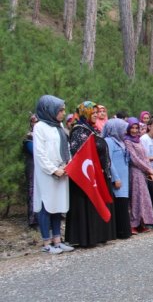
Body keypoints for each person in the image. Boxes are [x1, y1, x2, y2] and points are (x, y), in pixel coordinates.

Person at [66, 101, 117, 248]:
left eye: (96, 113)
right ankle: (87, 237)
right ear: (85, 113)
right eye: (92, 113)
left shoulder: (91, 129)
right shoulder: (79, 131)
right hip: (87, 177)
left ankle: (100, 235)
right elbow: (78, 154)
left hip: (98, 174)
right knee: (88, 206)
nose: (95, 115)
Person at [32, 95, 73, 254]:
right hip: (47, 174)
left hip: (62, 170)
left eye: (63, 110)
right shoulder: (40, 127)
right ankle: (46, 242)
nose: (63, 113)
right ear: (49, 110)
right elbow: (40, 154)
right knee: (46, 206)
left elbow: (66, 148)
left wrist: (67, 165)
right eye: (60, 110)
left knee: (58, 206)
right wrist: (53, 169)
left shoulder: (59, 126)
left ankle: (57, 240)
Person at [123, 118, 153, 234]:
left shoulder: (138, 140)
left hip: (142, 172)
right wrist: (147, 168)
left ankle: (142, 222)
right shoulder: (127, 141)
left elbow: (144, 156)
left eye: (136, 128)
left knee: (143, 197)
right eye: (132, 127)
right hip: (135, 172)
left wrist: (149, 169)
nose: (134, 130)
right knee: (136, 197)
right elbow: (134, 159)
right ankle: (133, 223)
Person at [104, 118, 132, 239]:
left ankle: (125, 230)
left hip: (125, 178)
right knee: (119, 204)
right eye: (122, 129)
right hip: (118, 179)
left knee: (123, 203)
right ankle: (120, 231)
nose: (125, 131)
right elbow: (108, 161)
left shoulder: (121, 141)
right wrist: (115, 178)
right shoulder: (109, 141)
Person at [23, 113, 39, 228]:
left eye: (37, 121)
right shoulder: (28, 136)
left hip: (43, 166)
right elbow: (33, 151)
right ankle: (33, 219)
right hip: (32, 165)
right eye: (33, 121)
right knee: (32, 191)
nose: (35, 123)